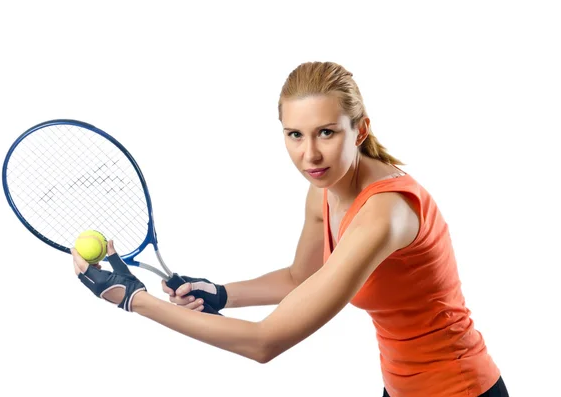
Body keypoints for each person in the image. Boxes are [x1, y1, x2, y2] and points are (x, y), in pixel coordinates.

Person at [71, 61, 509, 397]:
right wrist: (221, 293)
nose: (310, 155)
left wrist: (133, 299)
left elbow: (265, 342)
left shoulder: (385, 213)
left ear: (360, 130)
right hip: (401, 386)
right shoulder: (326, 191)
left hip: (458, 387)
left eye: (326, 133)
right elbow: (301, 277)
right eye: (294, 135)